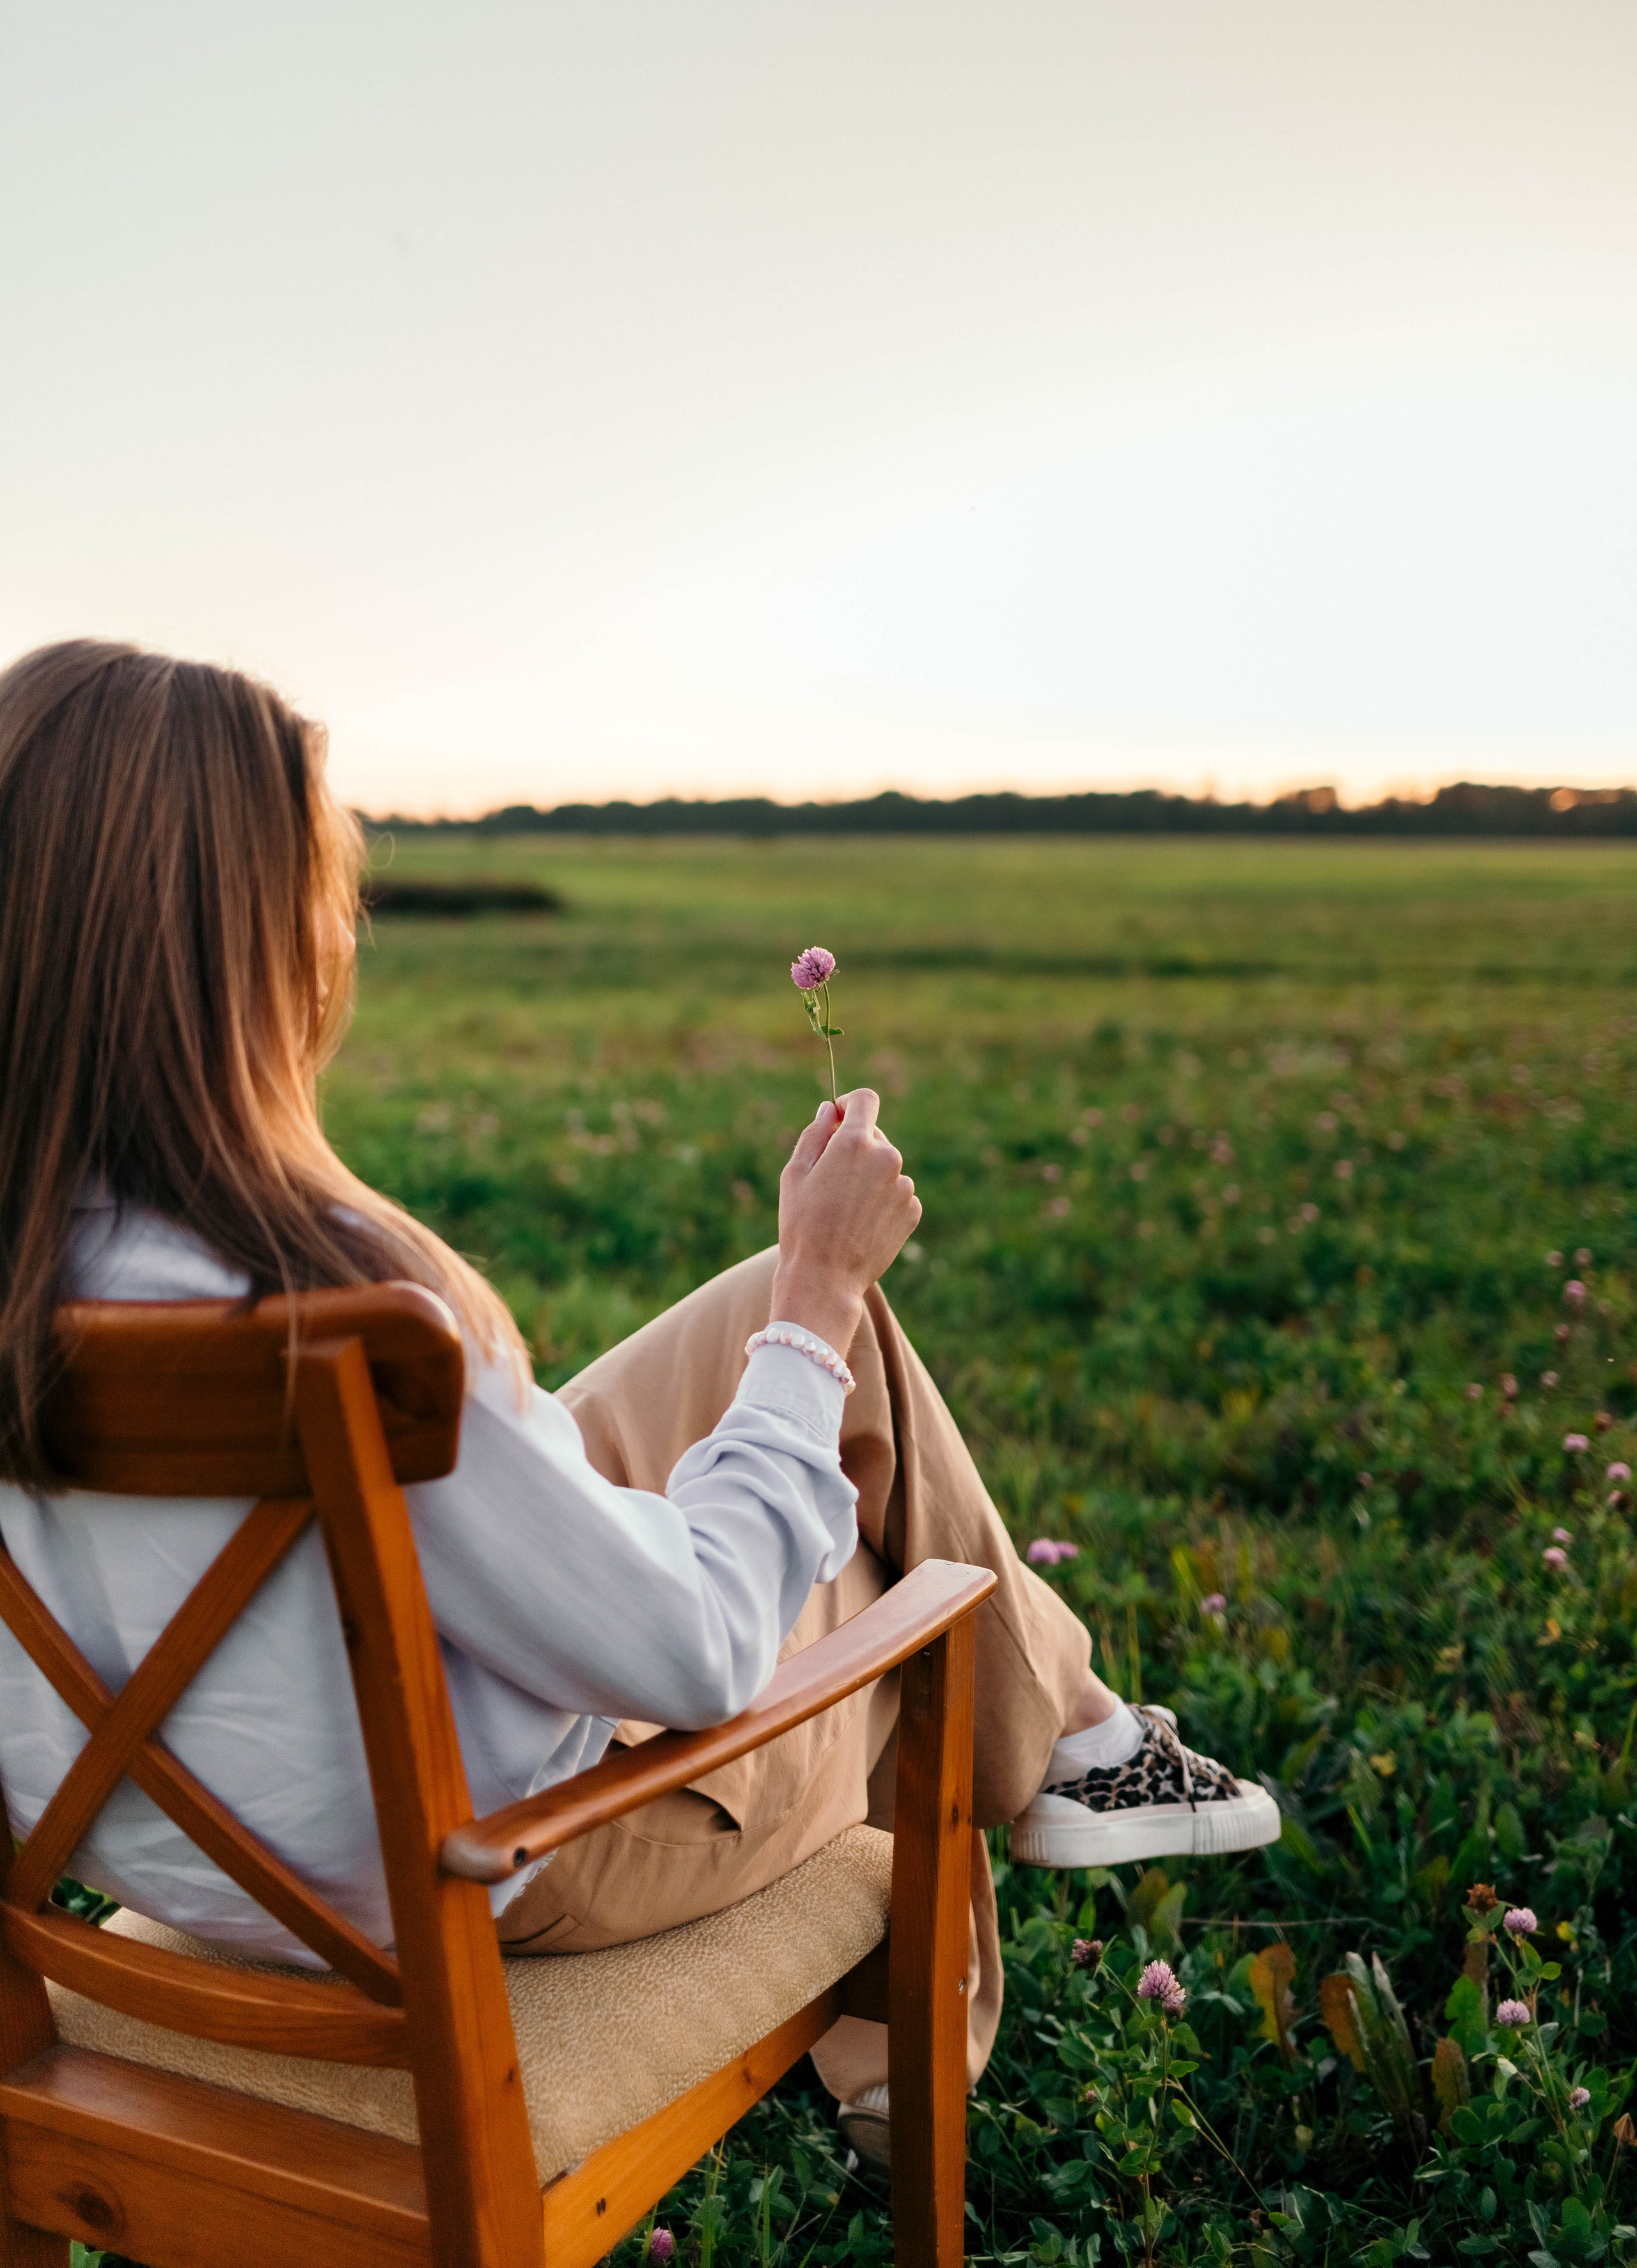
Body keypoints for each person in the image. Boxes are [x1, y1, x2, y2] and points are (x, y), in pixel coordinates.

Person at [0, 641, 1277, 2166]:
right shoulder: (334, 1305)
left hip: (197, 1845)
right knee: (897, 1574)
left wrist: (792, 1303)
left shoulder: (62, 1279)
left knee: (780, 1315)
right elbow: (693, 1654)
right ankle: (973, 1918)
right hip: (493, 1869)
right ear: (251, 944)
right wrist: (819, 1308)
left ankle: (1075, 1728)